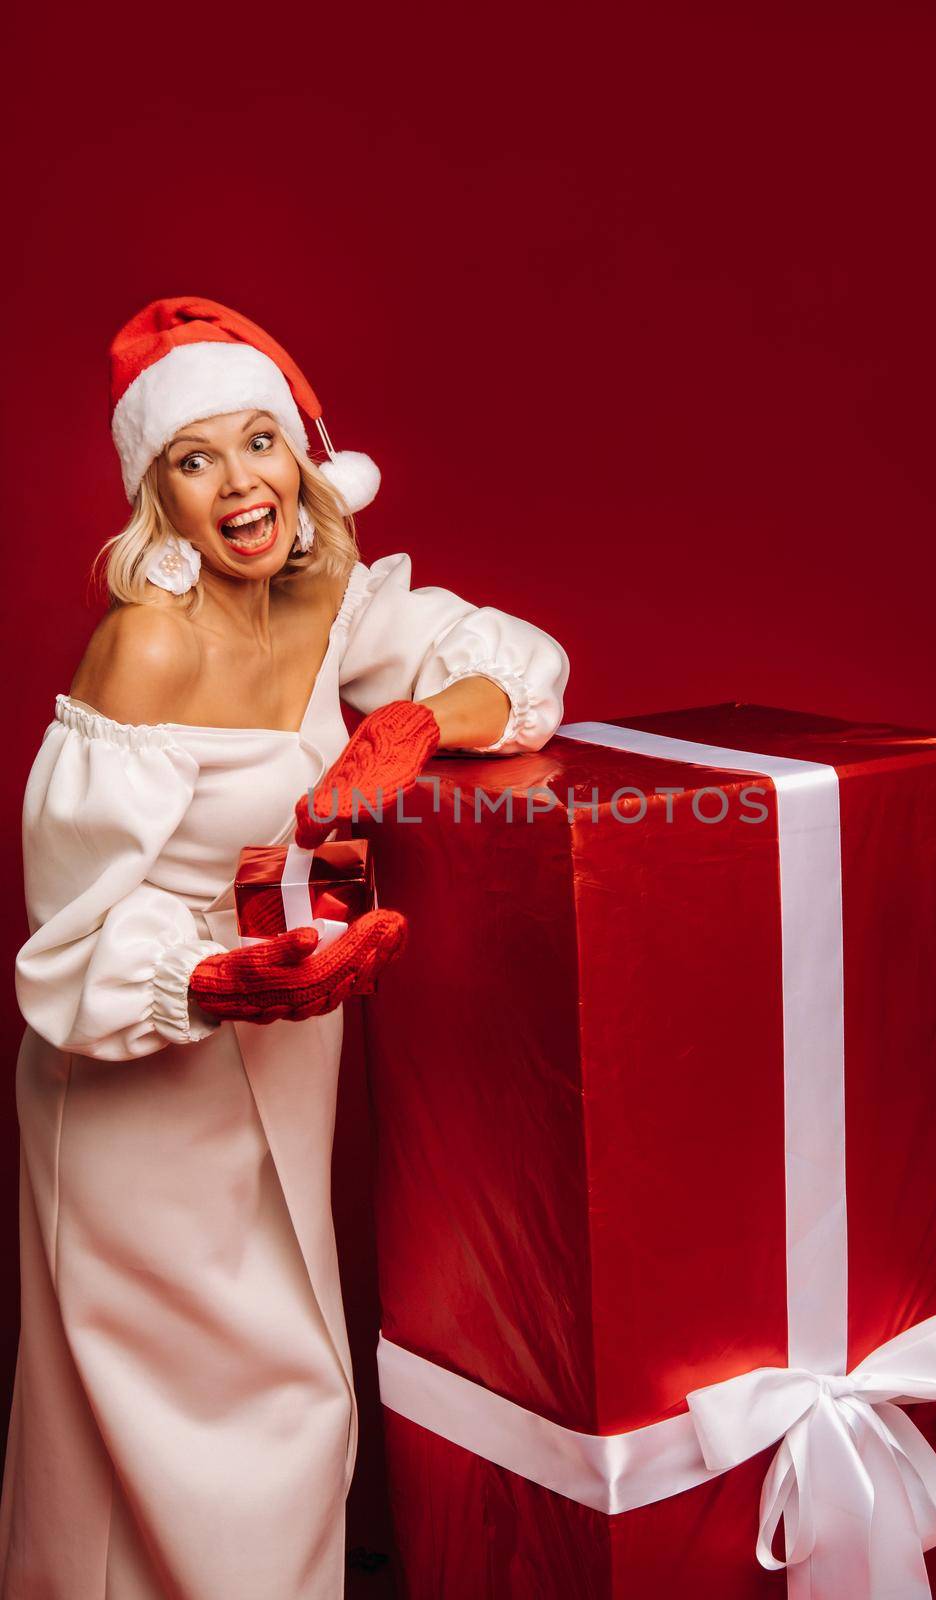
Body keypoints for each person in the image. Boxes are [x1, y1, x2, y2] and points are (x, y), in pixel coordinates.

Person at [0, 297, 570, 1598]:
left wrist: (418, 724)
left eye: (260, 441)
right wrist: (216, 978)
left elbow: (525, 668)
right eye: (195, 459)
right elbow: (65, 937)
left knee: (293, 1393)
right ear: (160, 497)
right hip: (137, 1067)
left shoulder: (327, 599)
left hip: (288, 1054)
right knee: (197, 1426)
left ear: (302, 462)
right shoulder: (145, 644)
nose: (240, 482)